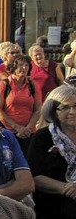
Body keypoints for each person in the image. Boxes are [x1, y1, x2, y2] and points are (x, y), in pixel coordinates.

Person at [28, 85, 76, 218]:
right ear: (54, 111)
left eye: (75, 106)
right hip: (52, 207)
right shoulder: (42, 137)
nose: (72, 112)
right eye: (65, 107)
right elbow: (35, 176)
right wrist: (68, 188)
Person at [0, 54, 42, 155]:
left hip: (29, 133)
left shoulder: (32, 85)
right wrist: (17, 128)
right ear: (14, 67)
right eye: (21, 65)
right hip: (8, 133)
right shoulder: (4, 85)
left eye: (26, 65)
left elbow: (38, 110)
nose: (24, 68)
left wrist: (28, 129)